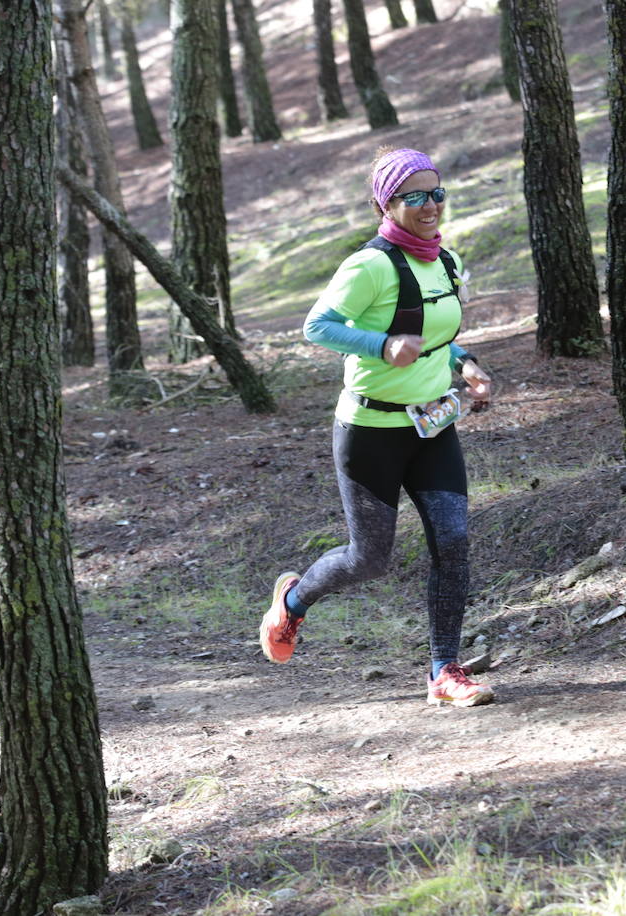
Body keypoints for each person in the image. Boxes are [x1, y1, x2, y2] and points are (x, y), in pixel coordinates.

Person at [258, 147, 495, 708]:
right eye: (414, 195)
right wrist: (380, 345)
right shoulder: (369, 265)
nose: (430, 204)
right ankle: (292, 602)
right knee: (371, 559)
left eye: (437, 192)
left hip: (432, 426)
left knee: (454, 543)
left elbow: (435, 333)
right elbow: (318, 325)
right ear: (385, 203)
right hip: (370, 430)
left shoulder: (448, 262)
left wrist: (466, 362)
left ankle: (444, 671)